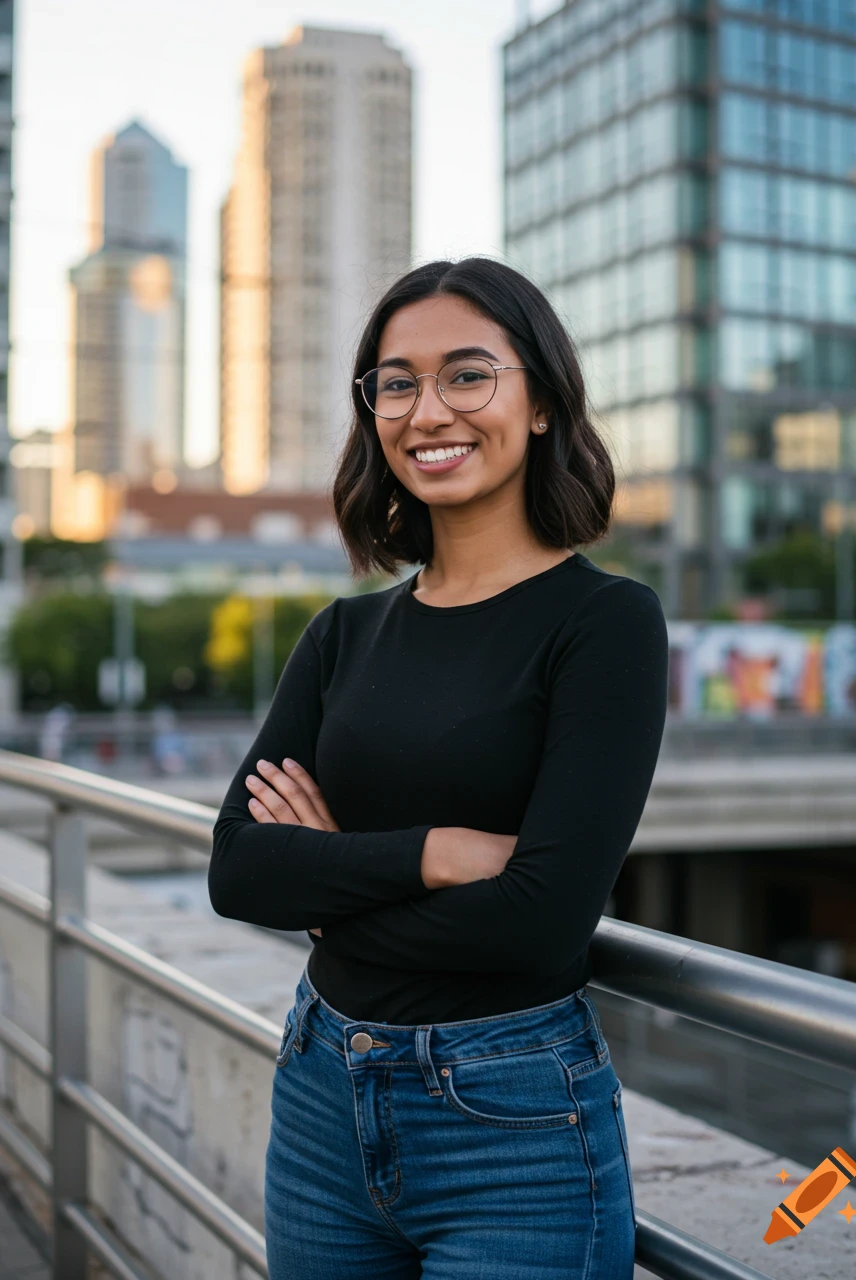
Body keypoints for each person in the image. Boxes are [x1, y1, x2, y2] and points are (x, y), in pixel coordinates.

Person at [208, 257, 668, 1279]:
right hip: (322, 1087)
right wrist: (434, 853)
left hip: (511, 1120)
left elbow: (541, 918)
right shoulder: (343, 633)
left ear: (540, 399)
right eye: (396, 381)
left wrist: (329, 879)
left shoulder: (604, 624)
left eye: (467, 374)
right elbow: (238, 868)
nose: (427, 410)